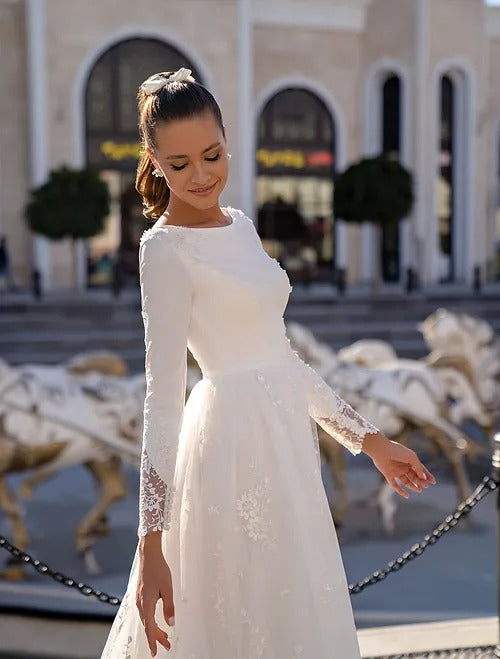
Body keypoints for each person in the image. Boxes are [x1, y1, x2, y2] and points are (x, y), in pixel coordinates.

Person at [100, 68, 436, 659]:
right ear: (153, 160)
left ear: (228, 140)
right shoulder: (163, 251)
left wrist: (370, 440)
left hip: (286, 449)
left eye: (212, 154)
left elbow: (282, 360)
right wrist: (152, 545)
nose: (201, 176)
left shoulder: (242, 227)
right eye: (179, 165)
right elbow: (161, 396)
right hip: (225, 453)